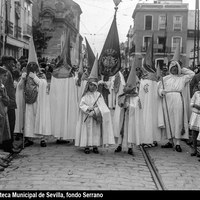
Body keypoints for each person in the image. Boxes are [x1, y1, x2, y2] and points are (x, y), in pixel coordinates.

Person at [14, 37, 52, 147]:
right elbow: (20, 87)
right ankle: (29, 137)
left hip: (38, 100)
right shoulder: (25, 75)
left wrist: (35, 77)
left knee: (38, 117)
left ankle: (41, 138)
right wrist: (22, 78)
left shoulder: (41, 74)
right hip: (28, 100)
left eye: (33, 65)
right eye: (29, 66)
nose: (31, 67)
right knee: (29, 118)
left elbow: (44, 84)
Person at [75, 55, 115, 153]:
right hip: (87, 116)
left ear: (96, 86)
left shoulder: (98, 95)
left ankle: (95, 145)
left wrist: (96, 111)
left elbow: (103, 107)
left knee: (96, 132)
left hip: (95, 117)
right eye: (90, 85)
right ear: (88, 86)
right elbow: (81, 105)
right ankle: (87, 146)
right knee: (87, 131)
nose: (92, 87)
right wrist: (88, 108)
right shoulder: (85, 95)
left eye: (94, 85)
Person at [158, 60, 195, 152]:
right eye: (172, 67)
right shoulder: (165, 78)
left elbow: (192, 74)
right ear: (169, 69)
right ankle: (170, 141)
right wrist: (161, 92)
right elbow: (159, 88)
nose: (174, 69)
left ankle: (178, 142)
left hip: (178, 98)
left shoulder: (182, 78)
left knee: (178, 119)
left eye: (175, 68)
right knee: (168, 119)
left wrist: (180, 68)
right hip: (167, 98)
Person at [114, 64, 144, 155]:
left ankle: (130, 147)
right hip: (123, 117)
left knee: (130, 131)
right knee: (121, 130)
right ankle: (119, 145)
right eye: (127, 86)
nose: (128, 89)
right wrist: (123, 103)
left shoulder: (136, 98)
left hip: (131, 119)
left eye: (131, 87)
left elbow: (137, 109)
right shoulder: (123, 95)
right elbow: (119, 103)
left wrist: (129, 106)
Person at [1, 56, 17, 152]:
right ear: (7, 62)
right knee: (9, 126)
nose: (14, 65)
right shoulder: (6, 73)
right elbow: (4, 88)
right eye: (12, 62)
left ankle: (5, 145)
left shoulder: (6, 72)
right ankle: (8, 147)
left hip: (8, 102)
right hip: (8, 103)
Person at [189, 80, 200, 157]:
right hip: (195, 115)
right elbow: (191, 102)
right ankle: (194, 149)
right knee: (194, 133)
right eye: (199, 84)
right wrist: (195, 105)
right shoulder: (196, 94)